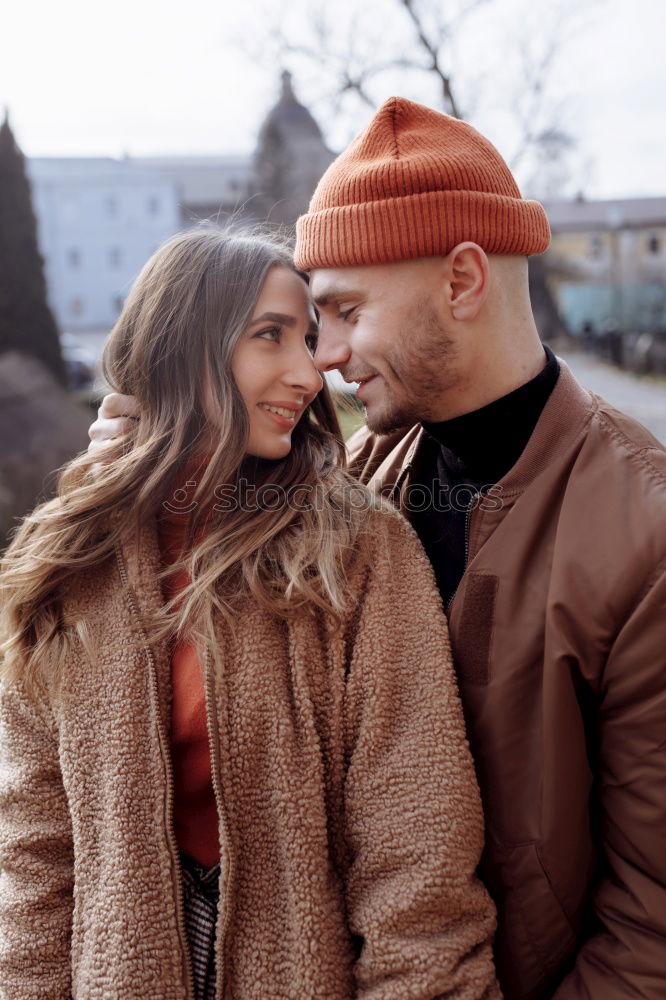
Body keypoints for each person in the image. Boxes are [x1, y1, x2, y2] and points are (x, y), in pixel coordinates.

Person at [90, 99, 666, 1000]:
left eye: (345, 312)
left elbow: (653, 924)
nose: (324, 356)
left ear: (464, 281)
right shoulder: (353, 488)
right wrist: (134, 480)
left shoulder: (645, 530)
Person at [0, 228, 500, 999]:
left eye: (308, 338)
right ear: (180, 345)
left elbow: (417, 856)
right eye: (271, 336)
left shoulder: (359, 549)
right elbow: (33, 850)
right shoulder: (69, 561)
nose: (308, 373)